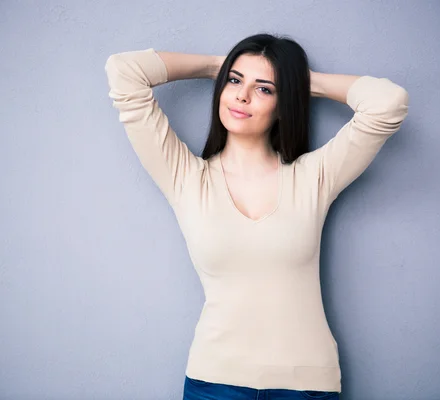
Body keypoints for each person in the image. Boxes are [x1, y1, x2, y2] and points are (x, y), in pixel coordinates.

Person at [104, 32, 409, 400]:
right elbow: (124, 70)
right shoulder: (185, 177)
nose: (242, 95)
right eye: (234, 81)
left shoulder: (313, 177)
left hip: (306, 385)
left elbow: (388, 104)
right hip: (212, 384)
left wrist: (295, 80)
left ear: (284, 104)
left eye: (264, 89)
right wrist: (219, 65)